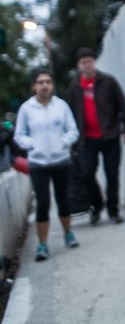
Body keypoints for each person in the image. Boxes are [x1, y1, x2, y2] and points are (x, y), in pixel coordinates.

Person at [14, 68, 80, 261]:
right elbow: (19, 135)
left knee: (63, 200)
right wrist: (32, 145)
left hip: (61, 161)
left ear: (52, 85)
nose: (44, 85)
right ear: (34, 86)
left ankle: (68, 233)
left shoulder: (61, 106)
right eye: (40, 82)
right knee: (42, 203)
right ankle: (42, 245)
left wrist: (64, 143)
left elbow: (72, 130)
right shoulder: (26, 109)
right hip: (38, 163)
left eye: (47, 82)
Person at [67, 47, 125, 225]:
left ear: (94, 62)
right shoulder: (74, 88)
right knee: (87, 173)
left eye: (89, 61)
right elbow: (70, 114)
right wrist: (71, 139)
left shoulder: (108, 81)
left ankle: (113, 211)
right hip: (86, 139)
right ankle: (97, 207)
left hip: (110, 135)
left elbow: (122, 104)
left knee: (112, 174)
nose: (87, 65)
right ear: (78, 66)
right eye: (83, 62)